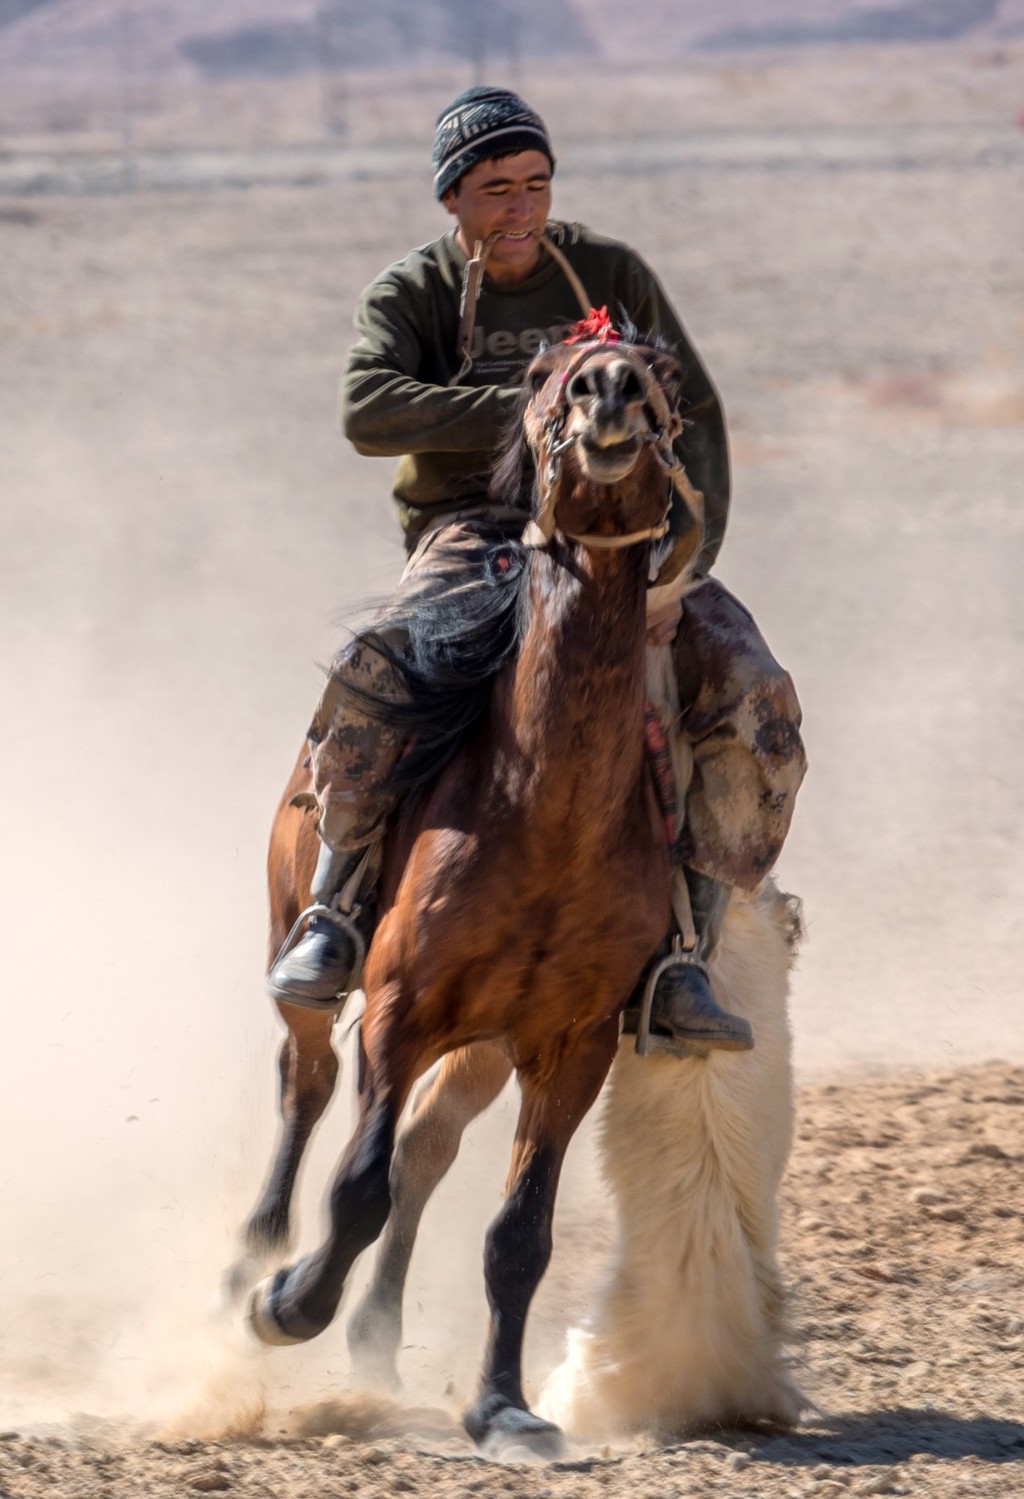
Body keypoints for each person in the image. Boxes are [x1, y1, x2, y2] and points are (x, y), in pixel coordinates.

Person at [267, 86, 806, 1054]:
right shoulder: (412, 293)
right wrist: (538, 405)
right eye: (493, 188)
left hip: (624, 543)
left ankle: (685, 948)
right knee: (375, 671)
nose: (519, 208)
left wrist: (684, 567)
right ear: (451, 199)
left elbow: (698, 414)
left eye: (535, 184)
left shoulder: (609, 271)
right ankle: (335, 908)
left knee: (754, 696)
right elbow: (366, 412)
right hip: (473, 534)